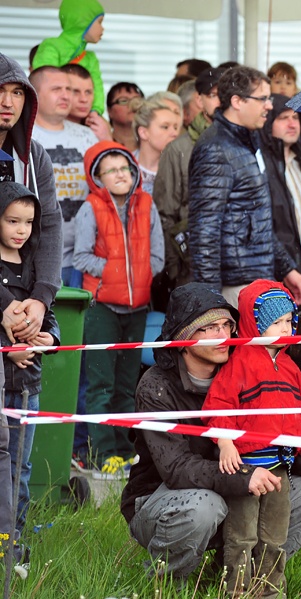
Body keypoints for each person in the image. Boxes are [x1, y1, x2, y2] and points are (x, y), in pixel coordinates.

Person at [121, 282, 301, 581]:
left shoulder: (244, 370)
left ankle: (246, 576)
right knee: (204, 507)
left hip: (236, 485)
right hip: (162, 498)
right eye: (210, 328)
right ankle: (166, 581)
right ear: (184, 337)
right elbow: (176, 469)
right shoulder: (156, 385)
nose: (224, 336)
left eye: (227, 325)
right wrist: (243, 478)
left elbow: (271, 442)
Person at [202, 280, 301, 596]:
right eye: (275, 322)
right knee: (242, 536)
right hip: (245, 470)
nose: (286, 328)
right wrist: (225, 443)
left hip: (280, 469)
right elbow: (219, 406)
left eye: (289, 320)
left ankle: (270, 592)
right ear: (255, 324)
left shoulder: (291, 368)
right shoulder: (239, 362)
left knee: (274, 536)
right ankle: (235, 592)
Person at [74, 140, 164, 475]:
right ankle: (100, 455)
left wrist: (138, 276)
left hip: (137, 308)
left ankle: (124, 453)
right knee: (101, 385)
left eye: (124, 167)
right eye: (110, 170)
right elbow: (80, 256)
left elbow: (157, 256)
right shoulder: (91, 208)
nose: (120, 174)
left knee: (128, 385)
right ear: (97, 177)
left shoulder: (147, 205)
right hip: (102, 308)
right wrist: (116, 271)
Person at [188, 66, 301, 307]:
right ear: (237, 101)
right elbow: (205, 232)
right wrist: (211, 303)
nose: (269, 105)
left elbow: (258, 218)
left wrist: (287, 269)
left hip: (257, 278)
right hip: (234, 286)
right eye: (263, 98)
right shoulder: (215, 148)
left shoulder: (249, 142)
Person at [0, 182, 60, 546]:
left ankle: (15, 539)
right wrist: (10, 350)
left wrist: (48, 341)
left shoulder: (36, 266)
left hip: (27, 390)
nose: (21, 230)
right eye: (12, 221)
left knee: (20, 468)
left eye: (28, 223)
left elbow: (50, 319)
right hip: (2, 383)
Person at [153, 67, 224, 302]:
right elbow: (165, 214)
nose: (221, 100)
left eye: (227, 94)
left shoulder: (250, 146)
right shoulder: (178, 150)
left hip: (236, 268)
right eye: (214, 95)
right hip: (191, 268)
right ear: (200, 100)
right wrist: (176, 270)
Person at [28, 66, 98, 288]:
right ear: (35, 93)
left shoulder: (87, 136)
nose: (66, 95)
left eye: (69, 89)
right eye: (57, 88)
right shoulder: (24, 136)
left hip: (82, 257)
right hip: (34, 256)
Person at [260, 95, 301, 284]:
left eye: (295, 118)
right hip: (274, 274)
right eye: (283, 118)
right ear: (268, 123)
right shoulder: (260, 167)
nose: (292, 124)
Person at [32, 0, 106, 115]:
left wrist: (95, 112)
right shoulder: (51, 46)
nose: (102, 28)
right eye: (99, 22)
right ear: (83, 21)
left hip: (82, 120)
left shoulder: (90, 58)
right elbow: (44, 84)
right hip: (52, 115)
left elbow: (97, 88)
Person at [131, 96, 181, 197]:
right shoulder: (124, 168)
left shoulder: (181, 168)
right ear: (143, 132)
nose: (174, 133)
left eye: (175, 127)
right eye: (165, 127)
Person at [61, 63, 110, 142]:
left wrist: (107, 139)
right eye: (76, 92)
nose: (84, 99)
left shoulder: (101, 128)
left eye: (88, 92)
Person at [105, 82, 143, 152]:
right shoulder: (101, 144)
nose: (132, 105)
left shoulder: (151, 146)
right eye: (124, 101)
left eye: (137, 100)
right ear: (109, 111)